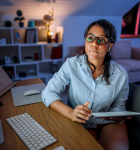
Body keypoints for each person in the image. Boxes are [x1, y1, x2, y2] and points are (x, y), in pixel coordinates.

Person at [42, 19, 132, 150]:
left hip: (108, 124)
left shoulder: (121, 74)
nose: (95, 44)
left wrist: (118, 114)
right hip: (79, 122)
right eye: (90, 38)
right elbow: (48, 92)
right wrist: (71, 113)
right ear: (85, 40)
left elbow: (119, 105)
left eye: (102, 40)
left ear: (110, 45)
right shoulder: (71, 64)